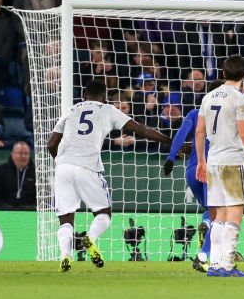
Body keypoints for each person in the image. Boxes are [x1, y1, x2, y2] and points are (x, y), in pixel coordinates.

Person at [48, 79, 171, 273]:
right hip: (87, 165)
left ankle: (66, 256)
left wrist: (61, 161)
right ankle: (90, 238)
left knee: (65, 217)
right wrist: (169, 141)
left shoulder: (70, 111)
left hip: (63, 166)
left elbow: (51, 144)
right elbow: (141, 129)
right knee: (103, 213)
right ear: (105, 97)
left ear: (84, 96)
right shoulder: (108, 110)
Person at [194, 55, 244, 277]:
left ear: (223, 73)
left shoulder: (208, 97)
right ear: (243, 76)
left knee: (219, 214)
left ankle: (214, 265)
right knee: (235, 212)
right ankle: (227, 265)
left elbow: (199, 132)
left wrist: (201, 160)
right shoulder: (240, 99)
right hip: (233, 161)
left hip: (213, 162)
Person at [163, 79, 224, 273]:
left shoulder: (194, 113)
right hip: (214, 169)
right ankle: (204, 256)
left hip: (193, 171)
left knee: (210, 209)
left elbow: (180, 135)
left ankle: (207, 226)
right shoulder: (229, 115)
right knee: (220, 215)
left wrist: (171, 158)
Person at [0, 141, 37, 208]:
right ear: (13, 154)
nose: (24, 156)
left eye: (26, 154)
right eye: (20, 153)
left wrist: (31, 208)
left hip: (30, 211)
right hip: (4, 211)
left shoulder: (36, 174)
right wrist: (7, 208)